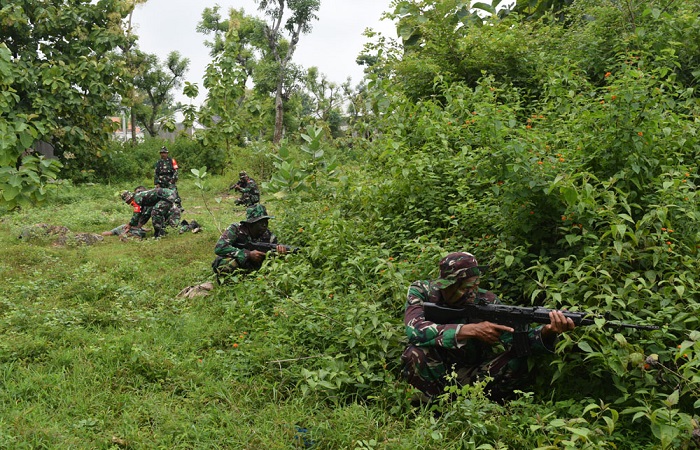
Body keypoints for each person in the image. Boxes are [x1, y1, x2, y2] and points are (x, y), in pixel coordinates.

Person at [402, 252, 575, 403]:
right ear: (446, 285)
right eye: (465, 288)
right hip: (435, 369)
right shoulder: (422, 291)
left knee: (516, 360)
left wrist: (546, 331)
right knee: (415, 353)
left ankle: (480, 405)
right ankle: (427, 407)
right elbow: (414, 329)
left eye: (475, 287)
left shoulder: (487, 301)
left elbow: (515, 338)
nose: (471, 294)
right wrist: (470, 330)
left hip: (472, 374)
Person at [212, 204, 288, 282]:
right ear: (250, 224)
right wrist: (248, 254)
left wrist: (280, 254)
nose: (264, 225)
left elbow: (273, 258)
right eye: (260, 223)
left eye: (266, 222)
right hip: (238, 264)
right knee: (227, 264)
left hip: (255, 269)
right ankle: (230, 284)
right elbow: (220, 248)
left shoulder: (269, 236)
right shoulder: (236, 229)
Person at [154, 146, 182, 210]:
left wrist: (173, 179)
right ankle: (162, 207)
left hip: (170, 180)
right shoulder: (158, 162)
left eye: (164, 153)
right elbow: (156, 173)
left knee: (174, 192)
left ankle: (178, 206)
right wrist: (156, 183)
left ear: (167, 153)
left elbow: (176, 171)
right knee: (160, 194)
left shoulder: (172, 161)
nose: (163, 154)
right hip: (161, 181)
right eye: (161, 153)